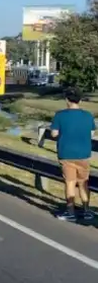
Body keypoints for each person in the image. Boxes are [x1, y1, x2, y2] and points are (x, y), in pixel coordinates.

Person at [50, 88, 97, 222]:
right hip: (84, 154)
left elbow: (54, 134)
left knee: (70, 182)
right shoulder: (88, 115)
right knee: (83, 183)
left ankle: (70, 211)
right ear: (80, 100)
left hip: (66, 153)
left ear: (66, 100)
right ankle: (87, 211)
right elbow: (91, 134)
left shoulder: (60, 115)